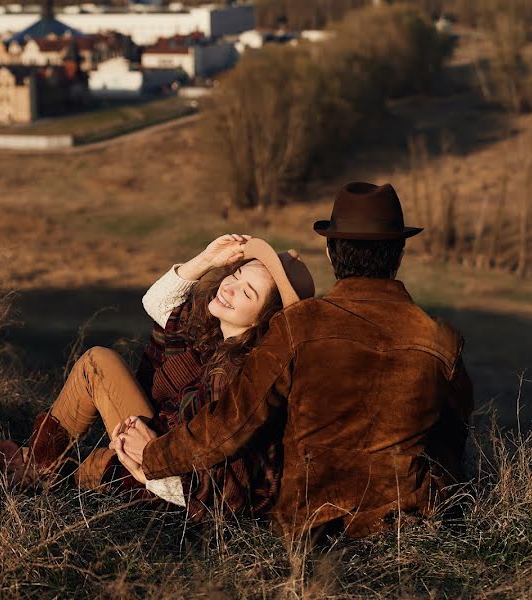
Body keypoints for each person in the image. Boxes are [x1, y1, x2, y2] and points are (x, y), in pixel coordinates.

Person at [113, 182, 474, 540]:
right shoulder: (442, 340)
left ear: (331, 254)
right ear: (399, 255)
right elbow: (452, 441)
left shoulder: (299, 324)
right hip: (401, 524)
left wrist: (154, 458)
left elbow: (231, 423)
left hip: (314, 523)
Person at [0, 234, 315, 516]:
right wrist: (206, 262)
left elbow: (224, 481)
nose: (230, 288)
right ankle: (25, 465)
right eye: (236, 274)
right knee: (84, 448)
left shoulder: (239, 374)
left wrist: (147, 465)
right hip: (155, 446)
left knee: (96, 382)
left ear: (266, 321)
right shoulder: (213, 332)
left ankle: (22, 466)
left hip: (170, 478)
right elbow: (158, 304)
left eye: (247, 293)